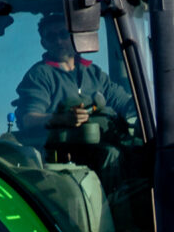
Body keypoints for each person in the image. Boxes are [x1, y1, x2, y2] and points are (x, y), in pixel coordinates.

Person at [17, 12, 138, 153]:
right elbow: (28, 120)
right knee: (111, 154)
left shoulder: (95, 73)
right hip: (65, 155)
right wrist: (62, 119)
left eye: (63, 34)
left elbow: (125, 104)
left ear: (74, 37)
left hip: (105, 142)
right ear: (43, 43)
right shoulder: (39, 75)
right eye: (51, 37)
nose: (59, 41)